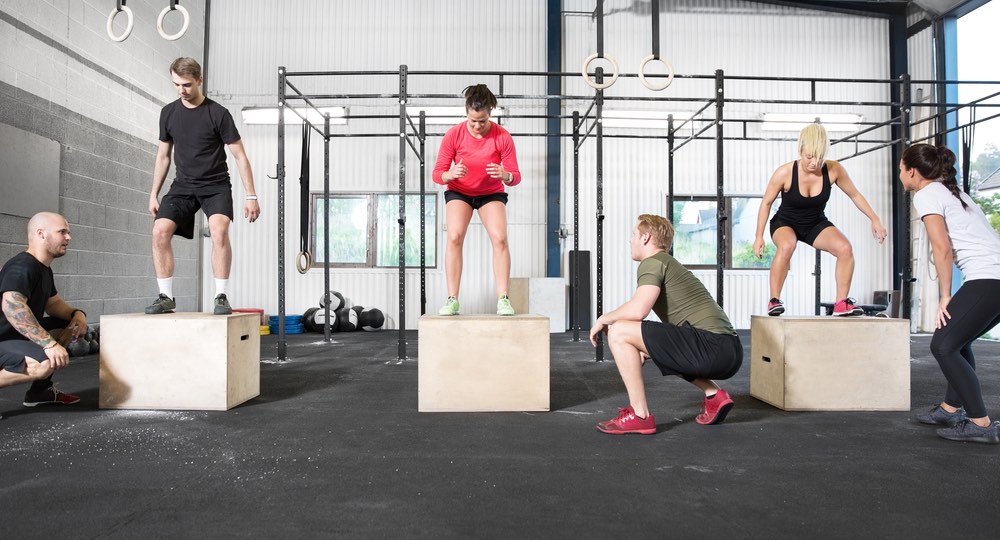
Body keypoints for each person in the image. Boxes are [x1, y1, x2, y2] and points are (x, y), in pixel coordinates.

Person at [590, 214, 743, 435]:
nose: (630, 240)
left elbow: (638, 310)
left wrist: (604, 318)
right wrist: (646, 350)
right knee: (653, 344)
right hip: (728, 351)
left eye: (633, 234)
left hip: (712, 346)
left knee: (619, 330)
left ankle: (639, 415)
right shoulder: (667, 263)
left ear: (645, 238)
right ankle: (714, 395)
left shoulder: (652, 262)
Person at [901, 143, 1000, 444]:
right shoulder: (952, 192)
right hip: (993, 278)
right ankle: (950, 408)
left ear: (912, 171)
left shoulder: (927, 194)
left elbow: (941, 248)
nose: (900, 174)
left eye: (901, 169)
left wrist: (946, 295)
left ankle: (980, 424)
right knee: (957, 340)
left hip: (988, 278)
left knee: (943, 345)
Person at [147, 57, 260, 316]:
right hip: (183, 186)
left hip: (215, 185)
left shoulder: (218, 114)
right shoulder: (168, 113)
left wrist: (251, 195)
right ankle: (165, 296)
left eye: (186, 84)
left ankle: (221, 296)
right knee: (159, 231)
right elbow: (163, 156)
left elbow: (240, 156)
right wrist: (153, 194)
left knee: (219, 231)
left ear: (199, 80)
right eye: (176, 85)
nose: (181, 90)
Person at [753, 123, 887, 316]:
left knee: (845, 249)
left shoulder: (833, 170)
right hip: (785, 223)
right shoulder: (784, 173)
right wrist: (759, 236)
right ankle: (774, 300)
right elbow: (766, 203)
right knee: (787, 245)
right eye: (809, 156)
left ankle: (841, 303)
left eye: (820, 157)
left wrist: (875, 219)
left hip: (815, 223)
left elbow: (855, 195)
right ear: (800, 150)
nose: (814, 162)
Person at [432, 84, 521, 316]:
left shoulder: (502, 136)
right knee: (454, 237)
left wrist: (506, 175)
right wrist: (449, 175)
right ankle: (452, 298)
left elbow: (515, 176)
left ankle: (503, 298)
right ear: (466, 112)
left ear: (490, 112)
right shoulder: (454, 134)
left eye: (482, 120)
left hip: (490, 192)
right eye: (473, 120)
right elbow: (437, 173)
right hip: (459, 191)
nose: (477, 126)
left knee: (500, 238)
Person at [0, 212, 85, 408]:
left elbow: (53, 304)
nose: (68, 237)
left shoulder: (43, 268)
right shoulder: (22, 266)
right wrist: (49, 344)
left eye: (68, 232)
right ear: (41, 234)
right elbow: (12, 306)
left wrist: (77, 315)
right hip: (3, 339)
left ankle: (40, 392)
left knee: (68, 325)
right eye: (62, 232)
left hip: (15, 337)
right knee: (45, 362)